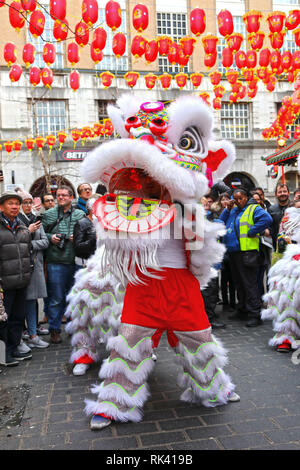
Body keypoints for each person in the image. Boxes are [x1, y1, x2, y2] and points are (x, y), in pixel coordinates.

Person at [80, 95, 240, 431]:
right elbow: (114, 243)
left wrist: (196, 262)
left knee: (199, 337)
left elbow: (200, 254)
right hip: (144, 283)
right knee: (129, 342)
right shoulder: (126, 209)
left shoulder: (188, 210)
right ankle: (114, 404)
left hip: (181, 285)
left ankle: (214, 387)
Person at [219, 187, 273, 327]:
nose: (238, 201)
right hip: (234, 253)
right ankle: (242, 309)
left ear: (246, 197)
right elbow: (220, 222)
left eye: (240, 198)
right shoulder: (234, 210)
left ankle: (255, 314)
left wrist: (253, 231)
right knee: (239, 284)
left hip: (247, 252)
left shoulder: (253, 208)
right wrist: (227, 209)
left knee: (249, 284)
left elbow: (267, 219)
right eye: (235, 199)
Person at [42, 186, 85, 344]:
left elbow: (89, 235)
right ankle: (54, 329)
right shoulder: (48, 214)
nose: (60, 198)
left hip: (76, 260)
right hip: (56, 261)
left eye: (64, 195)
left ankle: (74, 328)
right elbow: (39, 235)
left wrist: (78, 238)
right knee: (56, 298)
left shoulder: (80, 214)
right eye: (58, 195)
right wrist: (50, 236)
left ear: (71, 197)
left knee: (75, 298)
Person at [261, 202, 300, 352]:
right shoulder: (288, 218)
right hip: (290, 265)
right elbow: (280, 241)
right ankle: (286, 335)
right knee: (286, 301)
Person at [0, 191, 32, 366]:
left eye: (16, 204)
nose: (14, 207)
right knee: (3, 320)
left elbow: (29, 252)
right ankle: (3, 355)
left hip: (21, 281)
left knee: (18, 317)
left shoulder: (21, 226)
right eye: (10, 203)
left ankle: (12, 349)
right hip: (4, 284)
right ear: (1, 206)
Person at [17, 190, 49, 350]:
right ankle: (29, 334)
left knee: (32, 299)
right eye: (25, 202)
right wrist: (27, 234)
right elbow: (14, 244)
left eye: (30, 202)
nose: (28, 205)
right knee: (23, 301)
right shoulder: (16, 220)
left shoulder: (36, 220)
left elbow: (45, 242)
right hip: (20, 266)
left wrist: (30, 245)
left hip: (35, 265)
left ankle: (32, 331)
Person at [218, 193, 236, 313]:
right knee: (224, 279)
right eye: (223, 200)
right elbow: (220, 222)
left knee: (233, 278)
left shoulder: (235, 211)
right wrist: (226, 209)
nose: (225, 201)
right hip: (223, 250)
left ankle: (233, 302)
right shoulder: (222, 212)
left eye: (227, 199)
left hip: (234, 249)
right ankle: (225, 302)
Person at [73, 196, 97, 270]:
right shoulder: (81, 223)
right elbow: (78, 247)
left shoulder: (104, 223)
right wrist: (94, 238)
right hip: (85, 263)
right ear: (89, 209)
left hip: (99, 262)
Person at [268, 183, 290, 250]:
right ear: (276, 194)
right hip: (276, 247)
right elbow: (269, 227)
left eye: (285, 191)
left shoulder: (294, 208)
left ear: (288, 193)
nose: (282, 194)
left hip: (293, 247)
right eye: (280, 192)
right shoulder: (271, 209)